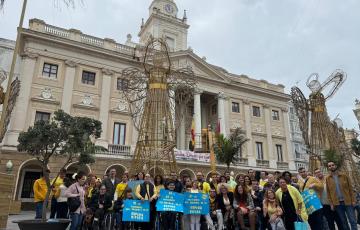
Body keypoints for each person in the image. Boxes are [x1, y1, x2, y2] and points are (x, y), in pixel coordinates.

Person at [326, 161, 357, 230]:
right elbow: (328, 192)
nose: (331, 166)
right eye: (329, 166)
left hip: (348, 201)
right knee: (343, 222)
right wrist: (331, 204)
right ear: (328, 168)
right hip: (337, 204)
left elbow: (350, 188)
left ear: (335, 166)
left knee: (352, 220)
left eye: (332, 165)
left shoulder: (344, 175)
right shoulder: (328, 178)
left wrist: (353, 200)